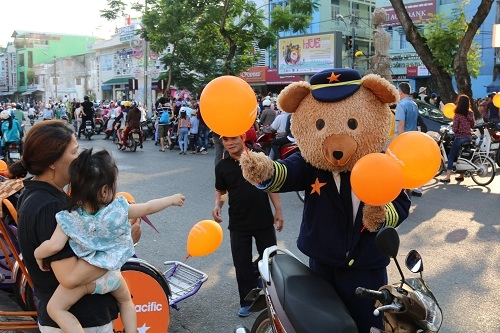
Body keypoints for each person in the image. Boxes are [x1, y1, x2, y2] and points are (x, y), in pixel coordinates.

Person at [32, 148, 185, 333]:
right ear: (105, 190)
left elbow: (54, 245)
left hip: (83, 281)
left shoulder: (68, 217)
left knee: (55, 308)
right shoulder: (119, 209)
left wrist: (38, 254)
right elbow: (148, 208)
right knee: (126, 300)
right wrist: (171, 199)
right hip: (112, 277)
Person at [11, 120, 142, 332]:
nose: (80, 158)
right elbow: (70, 276)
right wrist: (122, 242)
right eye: (74, 152)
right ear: (52, 162)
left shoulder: (43, 195)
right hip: (80, 321)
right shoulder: (48, 206)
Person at [212, 134, 284, 317]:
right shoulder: (222, 166)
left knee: (270, 260)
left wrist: (278, 211)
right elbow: (220, 190)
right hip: (238, 223)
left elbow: (271, 185)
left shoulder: (258, 156)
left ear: (242, 137)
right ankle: (247, 300)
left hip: (263, 220)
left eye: (233, 139)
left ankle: (274, 297)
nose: (229, 143)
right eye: (225, 140)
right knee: (241, 263)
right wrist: (217, 206)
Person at [439, 94, 476, 183]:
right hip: (468, 137)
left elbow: (455, 128)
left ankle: (447, 177)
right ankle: (461, 174)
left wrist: (455, 131)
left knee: (451, 155)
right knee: (462, 155)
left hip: (460, 138)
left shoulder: (458, 114)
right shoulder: (470, 113)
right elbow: (473, 125)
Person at [395, 82, 422, 197]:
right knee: (412, 163)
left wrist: (400, 141)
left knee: (400, 164)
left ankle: (403, 188)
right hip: (413, 137)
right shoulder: (414, 104)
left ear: (400, 91)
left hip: (404, 138)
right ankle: (417, 187)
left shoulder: (401, 105)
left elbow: (401, 124)